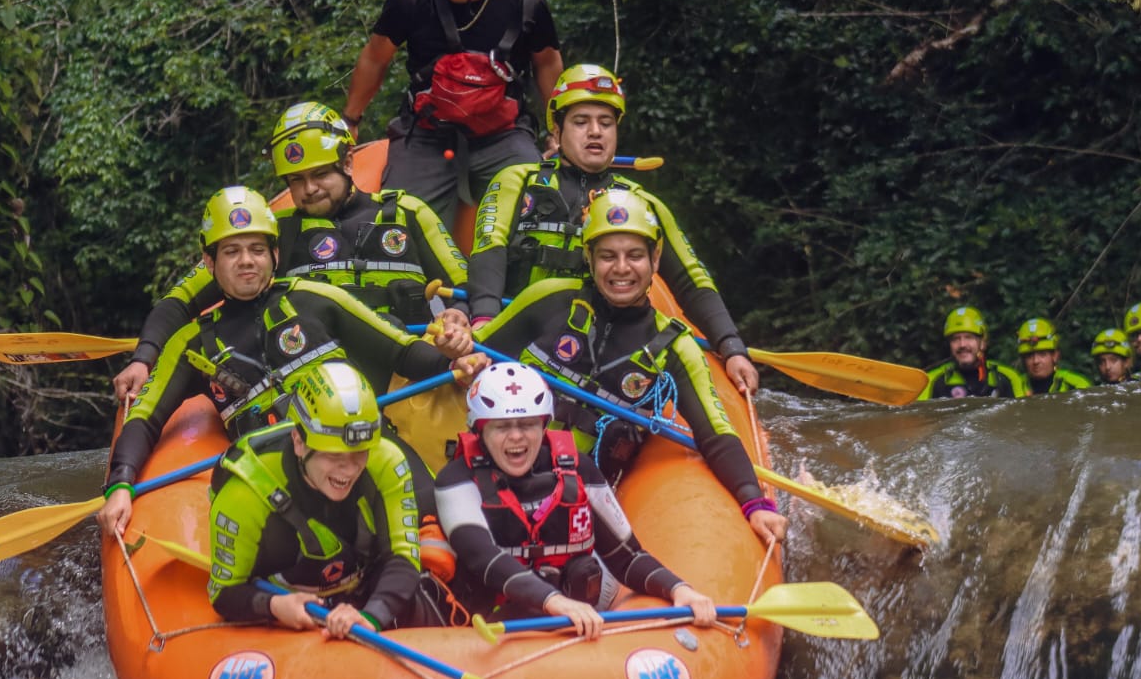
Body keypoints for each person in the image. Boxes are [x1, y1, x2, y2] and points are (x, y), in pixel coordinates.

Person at [97, 186, 468, 541]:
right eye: (231, 252)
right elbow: (144, 418)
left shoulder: (314, 297)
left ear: (275, 256)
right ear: (209, 262)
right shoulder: (191, 343)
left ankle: (433, 545)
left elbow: (401, 351)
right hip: (282, 475)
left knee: (413, 490)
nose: (246, 261)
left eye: (257, 249)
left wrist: (453, 360)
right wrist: (121, 485)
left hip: (360, 446)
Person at [467, 187, 788, 546]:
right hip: (494, 475)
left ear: (655, 259)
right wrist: (455, 345)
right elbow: (471, 356)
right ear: (589, 259)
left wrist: (754, 503)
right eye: (608, 256)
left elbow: (715, 434)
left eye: (635, 255)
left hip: (576, 498)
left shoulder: (675, 348)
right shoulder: (549, 299)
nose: (621, 268)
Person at [112, 103, 474, 401]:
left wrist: (458, 315)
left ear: (348, 163)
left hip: (415, 373)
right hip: (322, 387)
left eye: (319, 175)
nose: (309, 189)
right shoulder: (271, 234)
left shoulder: (407, 212)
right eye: (296, 180)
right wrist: (144, 359)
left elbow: (466, 286)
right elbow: (180, 301)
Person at [465, 63, 760, 393]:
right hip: (517, 338)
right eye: (581, 122)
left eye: (605, 123)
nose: (595, 131)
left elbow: (692, 280)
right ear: (557, 133)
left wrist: (731, 346)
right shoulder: (517, 181)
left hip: (596, 355)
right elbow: (488, 249)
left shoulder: (638, 202)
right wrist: (486, 326)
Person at [433, 362, 718, 638]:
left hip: (571, 611)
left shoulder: (577, 468)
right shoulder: (456, 480)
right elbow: (484, 558)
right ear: (480, 431)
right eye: (502, 427)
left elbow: (627, 557)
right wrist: (554, 601)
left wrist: (678, 588)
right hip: (493, 622)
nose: (517, 436)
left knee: (590, 571)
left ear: (544, 426)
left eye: (528, 424)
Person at [342, 0, 564, 226]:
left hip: (503, 134)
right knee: (398, 228)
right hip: (427, 134)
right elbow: (375, 57)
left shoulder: (524, 0)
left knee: (540, 211)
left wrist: (559, 129)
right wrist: (350, 119)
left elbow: (547, 62)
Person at [207, 361, 445, 635]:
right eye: (334, 455)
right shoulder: (243, 492)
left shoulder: (385, 461)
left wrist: (372, 616)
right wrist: (273, 606)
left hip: (364, 585)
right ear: (299, 441)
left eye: (359, 453)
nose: (349, 469)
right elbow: (223, 593)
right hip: (287, 603)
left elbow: (403, 557)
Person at [917, 307, 1027, 399]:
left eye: (969, 337)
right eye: (955, 339)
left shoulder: (1007, 377)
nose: (962, 344)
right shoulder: (932, 380)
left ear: (983, 343)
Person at [1016, 318, 1089, 395]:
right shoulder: (1014, 386)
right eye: (1029, 356)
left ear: (1055, 356)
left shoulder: (1076, 385)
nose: (1035, 361)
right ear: (1023, 359)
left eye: (1042, 354)